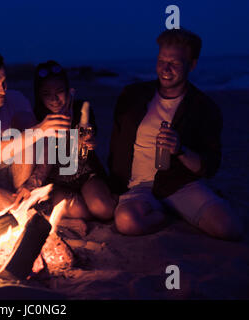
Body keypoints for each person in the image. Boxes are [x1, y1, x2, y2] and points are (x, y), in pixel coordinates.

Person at [108, 28, 243, 240]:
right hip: (138, 186)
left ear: (193, 64)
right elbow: (115, 145)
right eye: (161, 60)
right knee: (126, 222)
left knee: (229, 229)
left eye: (175, 63)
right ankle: (167, 215)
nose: (166, 69)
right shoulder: (133, 96)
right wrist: (114, 183)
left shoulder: (204, 108)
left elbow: (209, 166)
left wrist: (180, 150)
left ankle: (185, 205)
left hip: (179, 184)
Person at [0, 49, 71, 214]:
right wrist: (39, 130)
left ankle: (24, 203)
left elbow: (44, 143)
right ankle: (28, 212)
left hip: (18, 182)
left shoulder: (16, 99)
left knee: (24, 121)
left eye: (4, 82)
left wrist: (35, 180)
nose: (2, 90)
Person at [22, 60, 116, 220]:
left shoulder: (81, 108)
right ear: (39, 96)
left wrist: (89, 140)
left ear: (68, 90)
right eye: (46, 94)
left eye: (59, 91)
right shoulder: (36, 119)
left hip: (85, 173)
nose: (54, 99)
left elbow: (89, 135)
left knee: (103, 210)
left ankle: (108, 197)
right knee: (79, 212)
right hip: (56, 180)